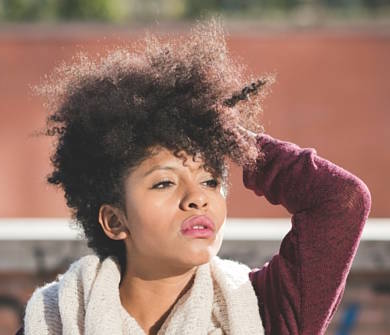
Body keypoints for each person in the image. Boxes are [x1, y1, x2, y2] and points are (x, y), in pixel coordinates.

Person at [19, 19, 371, 335]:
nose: (197, 198)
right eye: (164, 182)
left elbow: (342, 200)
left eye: (210, 181)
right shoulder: (58, 320)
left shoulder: (268, 312)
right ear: (114, 220)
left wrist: (230, 136)